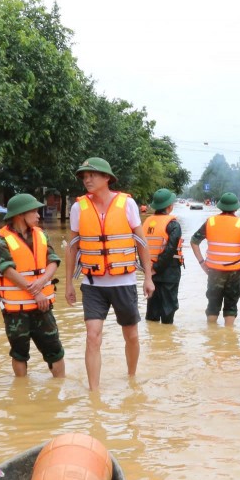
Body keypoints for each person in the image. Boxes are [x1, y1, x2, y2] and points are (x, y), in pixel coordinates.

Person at [64, 157, 154, 392]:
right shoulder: (78, 207)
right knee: (92, 336)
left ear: (107, 178)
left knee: (131, 335)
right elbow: (72, 247)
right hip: (93, 284)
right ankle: (94, 393)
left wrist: (148, 277)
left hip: (123, 282)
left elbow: (141, 243)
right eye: (84, 177)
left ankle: (131, 378)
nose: (87, 180)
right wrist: (69, 284)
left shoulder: (127, 204)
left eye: (92, 175)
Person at [0, 193, 65, 378]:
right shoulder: (1, 239)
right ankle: (21, 388)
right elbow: (7, 270)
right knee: (19, 353)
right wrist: (36, 292)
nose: (38, 216)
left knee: (55, 350)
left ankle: (59, 387)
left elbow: (53, 260)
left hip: (43, 306)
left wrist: (42, 281)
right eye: (34, 212)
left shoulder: (41, 234)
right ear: (20, 214)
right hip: (16, 311)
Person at [190, 192, 240, 326]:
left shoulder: (210, 222)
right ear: (236, 208)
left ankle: (211, 334)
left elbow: (194, 242)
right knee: (231, 306)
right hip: (235, 272)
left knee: (213, 305)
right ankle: (229, 335)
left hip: (213, 271)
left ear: (220, 206)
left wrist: (202, 263)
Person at [142, 187, 184, 325]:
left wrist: (149, 269)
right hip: (168, 271)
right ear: (169, 206)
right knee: (168, 308)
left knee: (152, 308)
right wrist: (157, 268)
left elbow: (139, 247)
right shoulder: (173, 224)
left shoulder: (146, 222)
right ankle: (166, 334)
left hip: (150, 270)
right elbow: (170, 250)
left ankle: (153, 335)